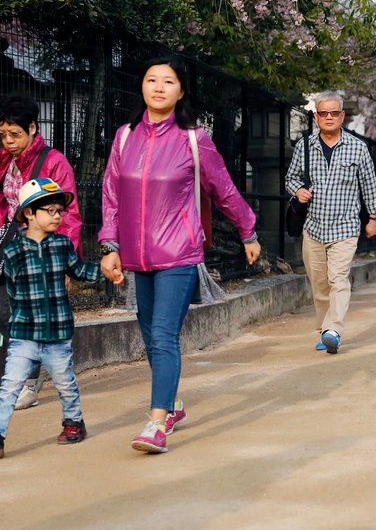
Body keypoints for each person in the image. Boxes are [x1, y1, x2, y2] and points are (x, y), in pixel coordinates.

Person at [99, 56, 261, 454]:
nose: (158, 87)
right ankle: (172, 406)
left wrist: (248, 230)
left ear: (181, 91)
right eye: (151, 79)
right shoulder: (124, 137)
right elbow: (111, 196)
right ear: (142, 86)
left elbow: (223, 189)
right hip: (136, 256)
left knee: (164, 335)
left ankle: (156, 424)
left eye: (168, 82)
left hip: (179, 253)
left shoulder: (193, 139)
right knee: (151, 339)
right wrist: (109, 245)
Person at [0, 178, 102, 459]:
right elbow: (12, 294)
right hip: (24, 335)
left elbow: (80, 271)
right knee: (10, 385)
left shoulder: (63, 245)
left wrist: (108, 272)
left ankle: (74, 423)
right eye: (50, 210)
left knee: (65, 381)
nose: (57, 216)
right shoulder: (13, 252)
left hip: (56, 333)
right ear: (28, 213)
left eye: (59, 211)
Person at [0, 93, 83, 411]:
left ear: (32, 128)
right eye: (3, 134)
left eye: (15, 134)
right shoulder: (8, 160)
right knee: (0, 314)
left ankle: (27, 383)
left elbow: (68, 212)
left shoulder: (53, 161)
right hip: (14, 249)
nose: (8, 140)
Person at [285, 91, 376, 353]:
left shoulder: (358, 148)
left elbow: (369, 187)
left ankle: (333, 330)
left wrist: (373, 218)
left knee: (338, 279)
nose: (328, 117)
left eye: (334, 113)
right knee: (319, 284)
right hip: (313, 227)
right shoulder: (304, 147)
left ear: (342, 116)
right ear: (316, 117)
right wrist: (298, 191)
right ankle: (324, 330)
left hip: (345, 228)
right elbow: (290, 178)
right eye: (323, 113)